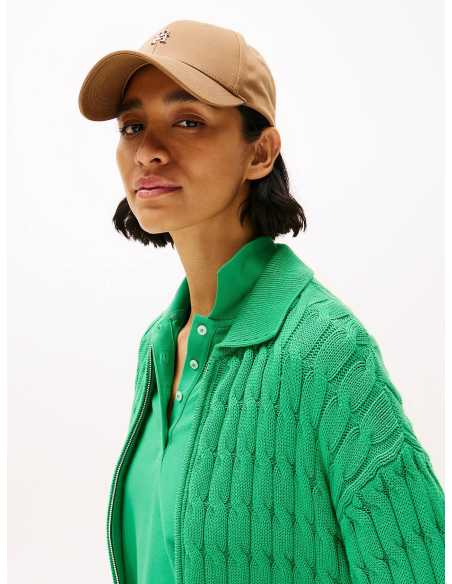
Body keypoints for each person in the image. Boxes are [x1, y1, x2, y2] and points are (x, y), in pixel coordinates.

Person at [78, 19, 445, 584]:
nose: (147, 151)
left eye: (188, 121)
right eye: (132, 126)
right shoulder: (158, 346)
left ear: (261, 151)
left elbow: (414, 563)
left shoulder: (324, 352)